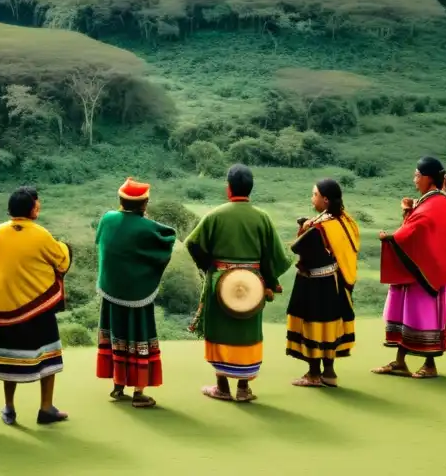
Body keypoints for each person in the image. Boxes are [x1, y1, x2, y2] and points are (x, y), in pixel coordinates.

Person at [185, 164, 293, 402]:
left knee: (220, 331)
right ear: (250, 189)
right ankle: (243, 389)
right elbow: (272, 256)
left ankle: (222, 387)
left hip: (220, 283)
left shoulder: (215, 215)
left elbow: (192, 244)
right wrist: (270, 282)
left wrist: (210, 269)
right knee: (247, 332)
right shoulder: (262, 218)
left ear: (228, 189)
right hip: (253, 285)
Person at [0, 186, 71, 426]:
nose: (39, 206)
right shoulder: (41, 234)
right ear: (32, 207)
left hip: (8, 309)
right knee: (49, 357)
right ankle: (46, 408)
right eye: (37, 203)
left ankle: (9, 408)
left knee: (8, 360)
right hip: (38, 306)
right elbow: (62, 262)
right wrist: (64, 246)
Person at [373, 156, 446, 380]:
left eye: (417, 176)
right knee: (406, 313)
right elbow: (417, 226)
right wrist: (408, 213)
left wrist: (390, 238)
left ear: (428, 177)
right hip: (420, 267)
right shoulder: (431, 200)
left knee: (424, 316)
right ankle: (400, 362)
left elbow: (417, 229)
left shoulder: (438, 201)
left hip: (429, 270)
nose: (414, 180)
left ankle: (430, 364)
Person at [95, 178, 177, 408]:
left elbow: (100, 240)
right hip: (138, 295)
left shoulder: (108, 219)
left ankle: (118, 385)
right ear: (144, 204)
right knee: (139, 336)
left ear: (121, 201)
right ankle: (139, 393)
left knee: (116, 334)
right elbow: (169, 236)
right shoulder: (147, 228)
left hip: (111, 292)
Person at [285, 179, 361, 388]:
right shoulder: (346, 221)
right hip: (336, 281)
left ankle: (312, 374)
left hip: (315, 284)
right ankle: (329, 372)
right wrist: (309, 224)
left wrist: (303, 227)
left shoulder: (321, 228)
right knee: (330, 326)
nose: (312, 198)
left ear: (325, 200)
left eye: (314, 194)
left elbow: (298, 248)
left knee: (313, 326)